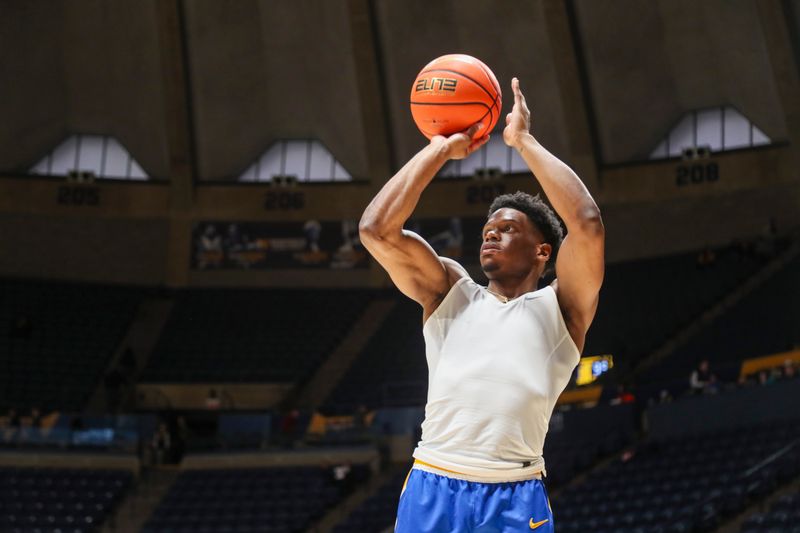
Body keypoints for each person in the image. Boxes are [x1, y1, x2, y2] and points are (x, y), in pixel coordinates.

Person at [359, 78, 604, 532]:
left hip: (515, 492)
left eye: (508, 228)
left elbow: (586, 223)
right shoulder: (450, 290)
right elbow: (376, 230)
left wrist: (522, 142)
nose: (491, 232)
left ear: (542, 251)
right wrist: (440, 149)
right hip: (434, 481)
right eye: (489, 227)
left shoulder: (562, 309)